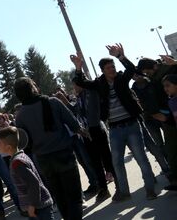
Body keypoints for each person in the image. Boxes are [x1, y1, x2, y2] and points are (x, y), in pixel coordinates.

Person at [72, 44, 157, 201]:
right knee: (116, 162)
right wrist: (78, 67)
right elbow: (81, 82)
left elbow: (132, 70)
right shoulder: (99, 83)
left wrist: (120, 57)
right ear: (103, 71)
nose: (112, 70)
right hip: (115, 129)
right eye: (109, 68)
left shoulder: (121, 79)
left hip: (132, 125)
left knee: (141, 159)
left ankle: (150, 189)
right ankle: (124, 192)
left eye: (113, 67)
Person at [14, 77, 85, 220]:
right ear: (33, 88)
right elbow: (73, 124)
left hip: (43, 161)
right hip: (64, 154)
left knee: (60, 198)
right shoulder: (53, 102)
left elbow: (24, 143)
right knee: (74, 197)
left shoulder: (20, 115)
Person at [0, 127, 54, 220]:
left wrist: (32, 205)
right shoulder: (20, 156)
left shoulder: (17, 163)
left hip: (39, 207)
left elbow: (34, 183)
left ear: (8, 147)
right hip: (37, 206)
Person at [71, 78, 114, 202]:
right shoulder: (79, 98)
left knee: (106, 159)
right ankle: (104, 189)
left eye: (75, 85)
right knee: (96, 163)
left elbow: (90, 111)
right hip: (87, 134)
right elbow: (77, 113)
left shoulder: (90, 93)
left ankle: (119, 185)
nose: (74, 88)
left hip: (96, 129)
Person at [139, 56, 177, 190]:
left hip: (171, 114)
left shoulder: (169, 69)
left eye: (147, 72)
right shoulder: (153, 78)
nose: (147, 75)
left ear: (153, 66)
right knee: (170, 149)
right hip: (167, 116)